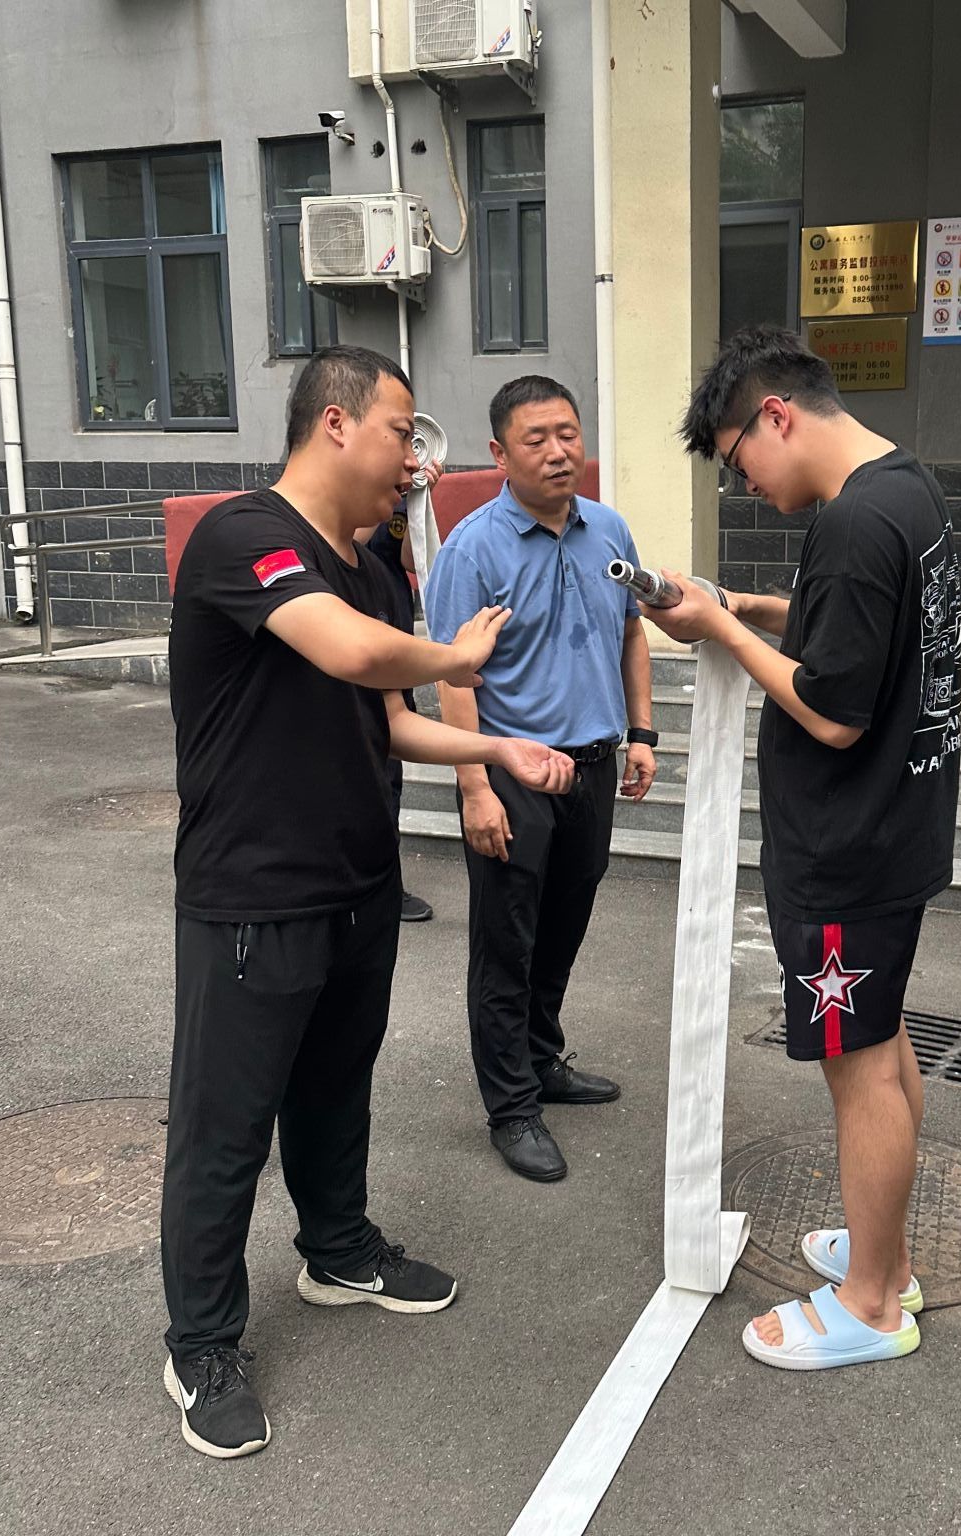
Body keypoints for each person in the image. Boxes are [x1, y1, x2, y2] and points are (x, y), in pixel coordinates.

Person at [160, 345, 575, 1459]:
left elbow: (387, 719)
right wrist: (453, 651)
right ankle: (200, 1344)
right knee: (224, 1130)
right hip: (252, 896)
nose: (414, 462)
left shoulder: (374, 565)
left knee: (336, 1092)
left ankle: (337, 1252)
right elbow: (348, 653)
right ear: (336, 423)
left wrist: (496, 747)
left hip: (357, 885)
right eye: (403, 433)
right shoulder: (246, 537)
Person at [645, 325, 961, 1371]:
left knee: (857, 1067)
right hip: (899, 829)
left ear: (774, 416)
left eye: (737, 461)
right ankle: (888, 1257)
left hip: (847, 847)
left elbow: (830, 709)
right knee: (884, 1043)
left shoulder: (852, 523)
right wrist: (747, 607)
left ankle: (870, 1303)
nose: (744, 484)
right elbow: (857, 633)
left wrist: (723, 634)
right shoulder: (902, 488)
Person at [420, 377, 656, 1182]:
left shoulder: (608, 529)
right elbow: (454, 675)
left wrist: (642, 733)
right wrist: (474, 788)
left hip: (592, 765)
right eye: (536, 439)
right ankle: (512, 1107)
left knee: (562, 927)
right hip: (512, 774)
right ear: (499, 453)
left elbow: (631, 634)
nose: (559, 452)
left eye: (568, 434)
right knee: (506, 944)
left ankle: (542, 1059)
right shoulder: (472, 550)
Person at [356, 460, 444, 922]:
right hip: (355, 653)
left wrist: (418, 499)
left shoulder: (397, 501)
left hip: (393, 647)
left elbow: (410, 560)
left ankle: (387, 885)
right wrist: (384, 487)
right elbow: (348, 541)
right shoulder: (352, 500)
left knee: (389, 778)